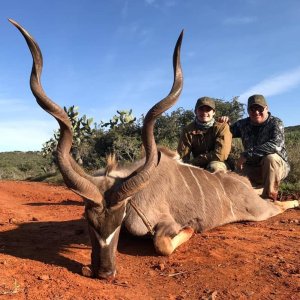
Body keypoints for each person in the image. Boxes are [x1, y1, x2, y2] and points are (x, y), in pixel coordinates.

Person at [221, 94, 290, 201]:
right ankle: (260, 189)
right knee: (234, 186)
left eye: (260, 108)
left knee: (271, 158)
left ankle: (269, 197)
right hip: (252, 166)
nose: (256, 112)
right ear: (248, 111)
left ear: (266, 108)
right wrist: (224, 123)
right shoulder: (243, 124)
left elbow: (276, 145)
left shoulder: (275, 123)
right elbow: (226, 133)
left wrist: (246, 154)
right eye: (252, 109)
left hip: (276, 167)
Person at [177, 97, 232, 172]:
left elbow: (220, 155)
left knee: (214, 167)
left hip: (220, 162)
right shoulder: (188, 130)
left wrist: (193, 162)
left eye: (208, 109)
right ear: (195, 112)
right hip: (197, 165)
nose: (204, 112)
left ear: (213, 112)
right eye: (201, 109)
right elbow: (182, 156)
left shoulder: (222, 127)